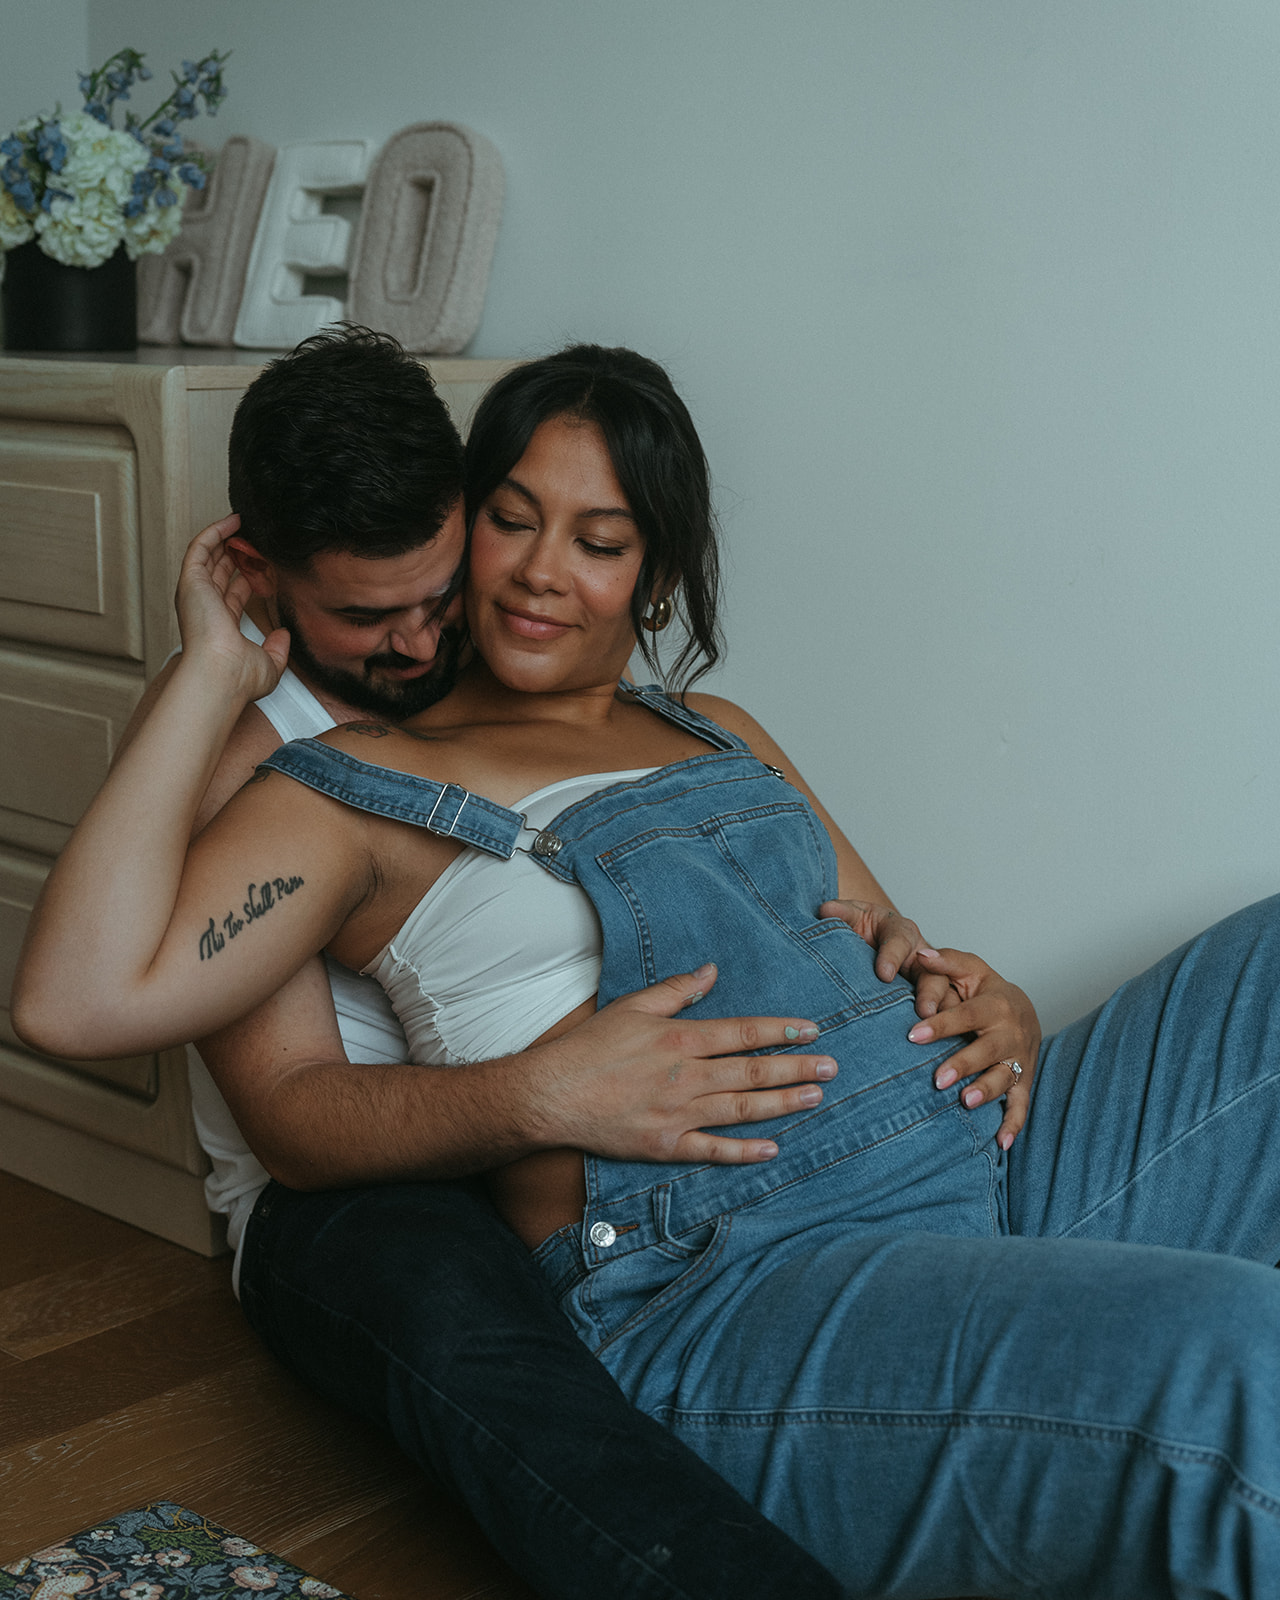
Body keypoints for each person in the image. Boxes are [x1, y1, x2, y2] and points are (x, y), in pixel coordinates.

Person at [22, 342, 1278, 1598]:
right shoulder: (339, 791)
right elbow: (74, 1000)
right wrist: (537, 1093)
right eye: (512, 520)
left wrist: (982, 996)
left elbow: (891, 937)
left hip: (969, 1152)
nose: (534, 572)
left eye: (598, 539)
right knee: (1233, 1357)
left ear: (656, 574)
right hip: (747, 1271)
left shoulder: (716, 729)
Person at [115, 327, 860, 1600]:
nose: (415, 641)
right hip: (345, 1183)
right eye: (363, 614)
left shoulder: (484, 659)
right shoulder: (250, 745)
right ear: (262, 570)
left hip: (572, 1160)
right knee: (490, 1349)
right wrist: (200, 678)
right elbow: (286, 1116)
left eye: (438, 586)